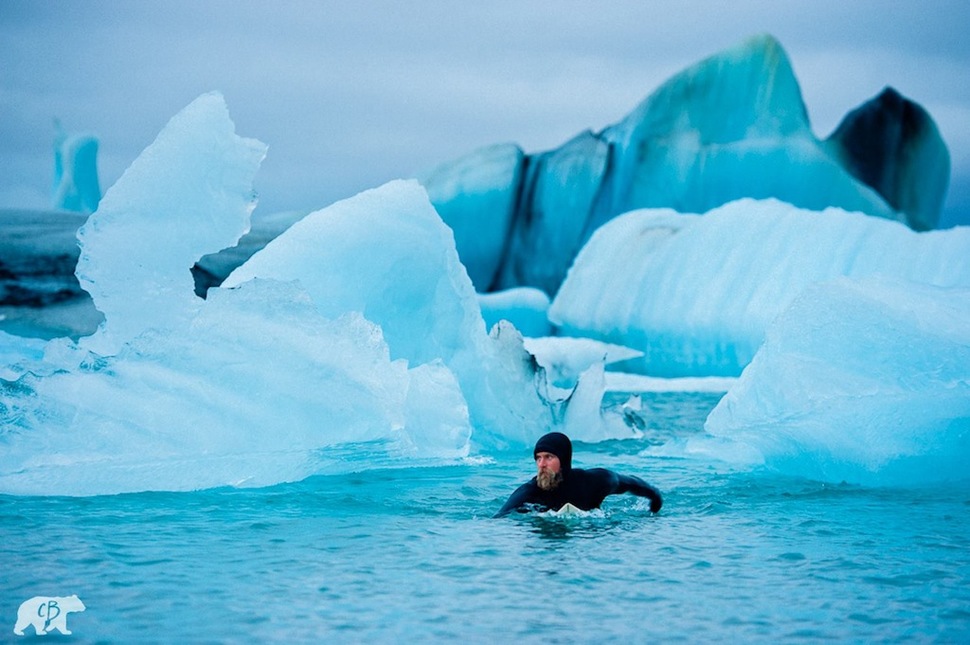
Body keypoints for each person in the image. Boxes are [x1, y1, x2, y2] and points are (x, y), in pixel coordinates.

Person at [494, 431, 663, 517]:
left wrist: (654, 497)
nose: (542, 464)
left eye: (549, 457)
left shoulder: (594, 481)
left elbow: (630, 482)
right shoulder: (530, 491)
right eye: (538, 458)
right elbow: (499, 519)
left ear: (564, 459)